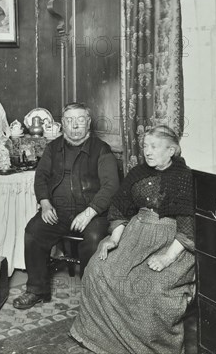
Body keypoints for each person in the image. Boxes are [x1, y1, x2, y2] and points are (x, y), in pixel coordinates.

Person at [70, 125, 195, 354]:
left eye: (154, 146)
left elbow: (187, 227)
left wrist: (167, 258)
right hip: (135, 235)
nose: (147, 151)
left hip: (171, 242)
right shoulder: (138, 173)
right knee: (98, 269)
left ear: (171, 150)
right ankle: (103, 340)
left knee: (152, 290)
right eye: (145, 146)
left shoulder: (184, 177)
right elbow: (119, 207)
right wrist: (114, 239)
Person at [12, 103, 119, 309]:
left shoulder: (101, 149)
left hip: (93, 212)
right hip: (58, 212)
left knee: (95, 238)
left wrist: (90, 212)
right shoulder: (53, 147)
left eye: (80, 120)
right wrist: (44, 203)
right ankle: (37, 290)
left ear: (88, 122)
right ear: (63, 124)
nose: (75, 125)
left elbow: (111, 186)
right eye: (69, 120)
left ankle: (92, 296)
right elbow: (41, 177)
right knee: (33, 232)